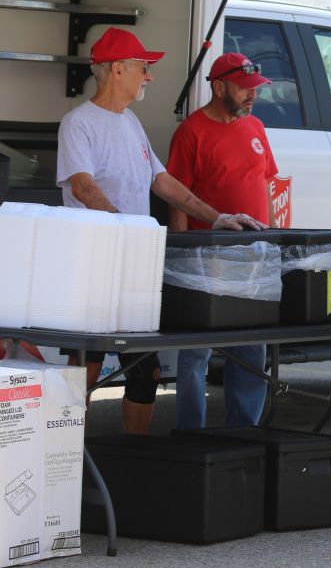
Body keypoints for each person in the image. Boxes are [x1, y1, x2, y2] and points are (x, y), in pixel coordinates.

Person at [56, 27, 265, 434]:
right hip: (97, 265)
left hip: (133, 262)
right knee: (87, 365)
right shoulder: (78, 123)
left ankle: (137, 457)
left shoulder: (130, 122)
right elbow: (83, 186)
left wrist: (217, 215)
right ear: (118, 70)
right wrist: (128, 226)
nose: (149, 76)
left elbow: (164, 182)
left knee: (144, 369)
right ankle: (64, 453)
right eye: (143, 67)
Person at [166, 53, 278, 430]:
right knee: (195, 354)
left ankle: (243, 436)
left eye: (255, 90)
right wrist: (181, 258)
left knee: (251, 350)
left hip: (253, 260)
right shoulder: (192, 132)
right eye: (244, 89)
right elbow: (176, 197)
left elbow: (265, 186)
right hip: (205, 259)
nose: (252, 96)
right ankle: (190, 434)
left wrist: (276, 242)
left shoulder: (256, 127)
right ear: (218, 87)